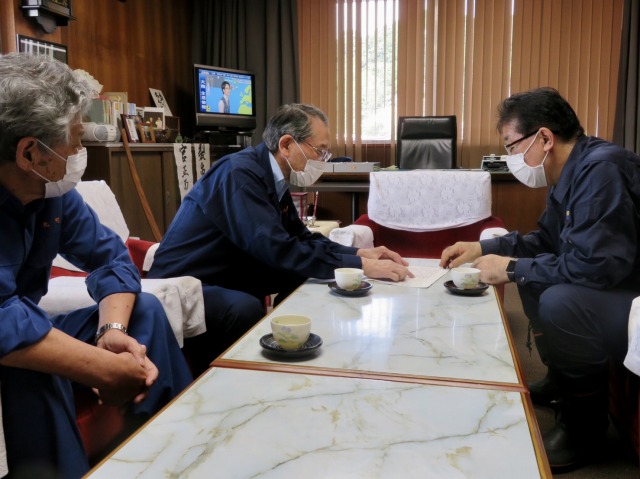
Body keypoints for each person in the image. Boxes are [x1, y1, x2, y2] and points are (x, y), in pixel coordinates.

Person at [0, 52, 193, 478]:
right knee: (35, 367)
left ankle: (175, 451)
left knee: (145, 310)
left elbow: (111, 256)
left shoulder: (53, 194)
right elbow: (5, 320)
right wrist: (101, 368)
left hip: (18, 326)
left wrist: (111, 332)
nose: (80, 150)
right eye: (75, 138)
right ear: (30, 152)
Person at [439, 87, 640, 472]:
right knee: (532, 272)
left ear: (545, 138)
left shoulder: (602, 171)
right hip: (613, 283)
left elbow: (596, 267)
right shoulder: (569, 173)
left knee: (560, 301)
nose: (511, 159)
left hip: (630, 292)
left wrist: (510, 268)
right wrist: (482, 248)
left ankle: (584, 430)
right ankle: (560, 378)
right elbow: (545, 241)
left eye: (512, 147)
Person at [148, 103, 412, 372]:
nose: (323, 160)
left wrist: (357, 254)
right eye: (319, 151)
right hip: (185, 283)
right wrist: (361, 267)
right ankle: (228, 378)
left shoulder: (272, 177)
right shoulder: (239, 173)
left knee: (303, 276)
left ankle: (296, 347)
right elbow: (277, 249)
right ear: (286, 145)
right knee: (244, 307)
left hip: (228, 270)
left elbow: (301, 238)